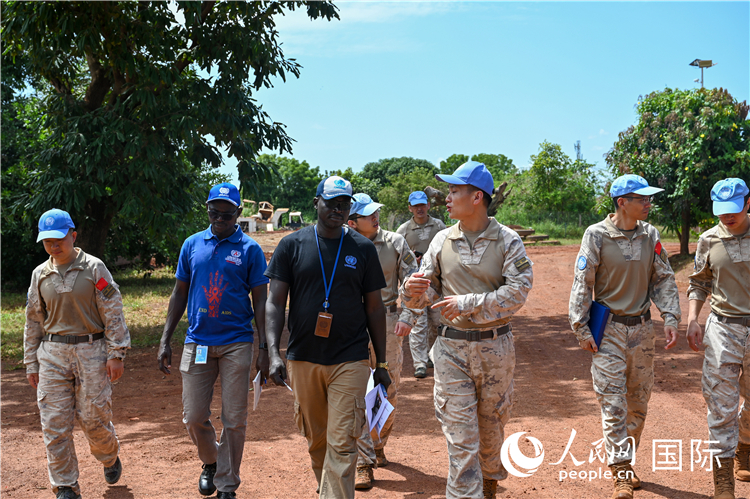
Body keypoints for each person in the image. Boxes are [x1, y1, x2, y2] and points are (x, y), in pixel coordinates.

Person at [401, 161, 534, 499]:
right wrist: (412, 292)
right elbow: (429, 294)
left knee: (492, 430)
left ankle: (489, 481)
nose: (447, 197)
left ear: (477, 197)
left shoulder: (507, 240)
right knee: (461, 440)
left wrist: (467, 302)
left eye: (454, 191)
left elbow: (518, 293)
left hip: (496, 350)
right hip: (450, 349)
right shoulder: (441, 240)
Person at [264, 176, 392, 499]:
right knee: (318, 441)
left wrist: (382, 362)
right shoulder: (291, 246)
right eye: (331, 201)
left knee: (342, 442)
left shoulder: (362, 249)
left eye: (344, 203)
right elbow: (274, 303)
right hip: (303, 357)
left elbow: (375, 309)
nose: (337, 208)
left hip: (350, 358)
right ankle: (328, 492)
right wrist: (274, 352)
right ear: (315, 203)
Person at [568, 174, 681, 499]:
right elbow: (582, 283)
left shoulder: (650, 235)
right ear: (622, 203)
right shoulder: (597, 235)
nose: (649, 203)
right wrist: (581, 327)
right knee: (613, 403)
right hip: (610, 331)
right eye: (641, 199)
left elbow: (662, 277)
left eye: (649, 198)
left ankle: (626, 462)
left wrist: (671, 316)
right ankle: (620, 471)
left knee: (638, 404)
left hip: (643, 331)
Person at [157, 182, 269, 499]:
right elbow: (179, 293)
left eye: (227, 213)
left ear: (239, 213)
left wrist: (264, 348)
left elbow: (261, 300)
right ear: (207, 209)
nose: (220, 218)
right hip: (197, 341)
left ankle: (227, 484)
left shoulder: (250, 250)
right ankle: (211, 462)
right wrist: (166, 338)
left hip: (237, 342)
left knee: (234, 419)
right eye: (214, 211)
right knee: (193, 416)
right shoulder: (192, 245)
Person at [24, 209, 131, 499]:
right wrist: (31, 362)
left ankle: (109, 455)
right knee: (54, 425)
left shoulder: (94, 268)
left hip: (92, 350)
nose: (53, 246)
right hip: (53, 353)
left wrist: (116, 353)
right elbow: (33, 319)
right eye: (47, 241)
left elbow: (112, 310)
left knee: (93, 420)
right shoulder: (40, 274)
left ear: (73, 235)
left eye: (58, 239)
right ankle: (65, 486)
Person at [346, 193, 419, 489]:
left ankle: (378, 443)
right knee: (355, 391)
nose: (375, 216)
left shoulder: (395, 242)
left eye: (376, 212)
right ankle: (363, 461)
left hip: (388, 323)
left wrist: (408, 316)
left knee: (387, 388)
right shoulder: (342, 245)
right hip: (352, 325)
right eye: (368, 214)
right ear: (352, 222)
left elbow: (414, 279)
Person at [687, 178, 750, 499]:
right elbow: (699, 282)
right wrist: (692, 319)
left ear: (748, 203)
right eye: (722, 212)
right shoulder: (708, 240)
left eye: (734, 211)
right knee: (720, 406)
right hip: (723, 328)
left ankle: (745, 444)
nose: (728, 217)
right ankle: (723, 481)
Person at [396, 190, 446, 378]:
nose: (419, 209)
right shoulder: (403, 231)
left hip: (434, 284)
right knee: (418, 323)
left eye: (422, 205)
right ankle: (420, 363)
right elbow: (398, 257)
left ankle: (432, 355)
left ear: (428, 206)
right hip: (414, 285)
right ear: (410, 208)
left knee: (436, 321)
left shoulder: (439, 226)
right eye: (415, 205)